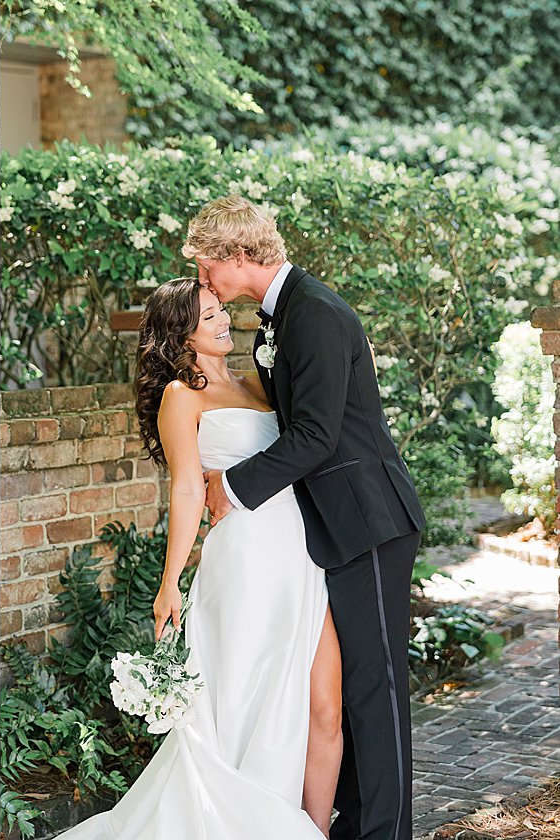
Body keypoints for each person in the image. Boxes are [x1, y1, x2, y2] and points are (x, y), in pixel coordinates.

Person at [54, 278, 340, 840]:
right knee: (240, 706)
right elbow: (186, 489)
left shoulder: (262, 384)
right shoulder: (181, 396)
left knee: (324, 704)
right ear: (179, 333)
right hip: (243, 565)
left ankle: (313, 831)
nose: (223, 321)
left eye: (221, 312)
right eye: (208, 316)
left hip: (301, 556)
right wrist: (169, 585)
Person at [193, 196, 425, 840]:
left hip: (369, 519)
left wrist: (231, 487)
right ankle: (356, 825)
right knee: (351, 689)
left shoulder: (313, 314)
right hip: (334, 525)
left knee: (375, 689)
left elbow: (318, 435)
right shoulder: (284, 315)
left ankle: (388, 832)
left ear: (241, 256)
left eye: (210, 263)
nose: (205, 276)